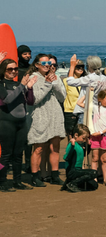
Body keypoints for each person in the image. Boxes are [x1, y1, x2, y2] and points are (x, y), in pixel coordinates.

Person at [26, 54, 66, 187]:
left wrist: (54, 82)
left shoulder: (56, 78)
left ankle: (54, 175)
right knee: (38, 148)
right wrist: (48, 84)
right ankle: (35, 175)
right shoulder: (33, 78)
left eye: (49, 62)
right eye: (44, 63)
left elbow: (62, 97)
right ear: (36, 65)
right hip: (40, 115)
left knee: (55, 147)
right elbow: (35, 99)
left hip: (55, 115)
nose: (48, 65)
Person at [0, 58, 37, 191]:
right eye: (10, 69)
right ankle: (2, 181)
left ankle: (17, 181)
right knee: (6, 154)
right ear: (4, 71)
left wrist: (30, 88)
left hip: (21, 123)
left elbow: (30, 102)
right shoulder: (1, 84)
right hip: (6, 123)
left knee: (18, 154)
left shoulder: (18, 85)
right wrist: (22, 85)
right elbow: (7, 99)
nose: (14, 71)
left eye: (15, 69)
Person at [89, 90, 106, 184]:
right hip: (94, 136)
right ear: (100, 99)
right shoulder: (95, 108)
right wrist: (89, 92)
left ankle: (105, 179)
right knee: (94, 158)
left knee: (104, 159)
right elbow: (80, 103)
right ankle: (94, 178)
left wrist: (101, 132)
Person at [61, 124, 97, 193]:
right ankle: (72, 183)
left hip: (78, 170)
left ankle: (72, 183)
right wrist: (72, 146)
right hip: (72, 171)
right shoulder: (72, 145)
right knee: (94, 173)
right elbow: (67, 158)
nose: (84, 140)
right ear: (76, 135)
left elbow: (84, 155)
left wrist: (88, 146)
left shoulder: (80, 145)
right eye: (83, 138)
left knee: (94, 185)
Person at [62, 61, 85, 138]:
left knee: (82, 134)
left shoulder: (84, 80)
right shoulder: (66, 81)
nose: (81, 69)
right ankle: (71, 149)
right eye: (78, 67)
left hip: (82, 110)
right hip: (70, 110)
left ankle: (80, 150)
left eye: (82, 67)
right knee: (71, 135)